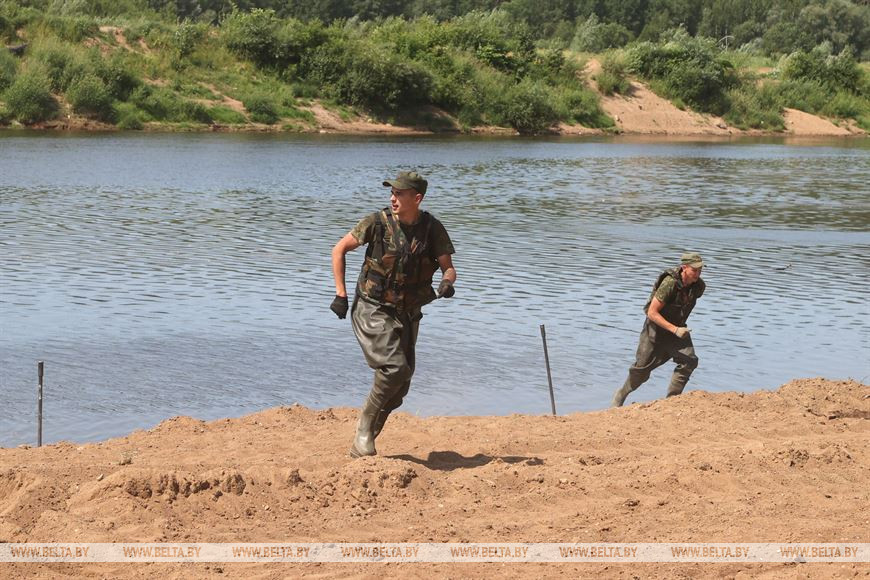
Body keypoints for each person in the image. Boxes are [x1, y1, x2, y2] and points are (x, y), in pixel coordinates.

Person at [330, 170, 456, 458]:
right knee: (395, 369)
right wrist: (341, 294)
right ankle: (364, 427)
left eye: (399, 193)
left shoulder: (432, 228)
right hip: (372, 306)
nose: (392, 198)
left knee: (401, 386)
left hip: (408, 312)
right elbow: (339, 250)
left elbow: (448, 267)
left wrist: (447, 282)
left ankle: (364, 440)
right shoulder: (375, 223)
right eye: (392, 192)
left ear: (417, 198)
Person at [611, 253, 706, 407]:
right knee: (641, 370)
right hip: (655, 330)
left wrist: (677, 329)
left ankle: (672, 401)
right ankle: (621, 394)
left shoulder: (698, 286)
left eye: (700, 270)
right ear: (684, 268)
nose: (697, 274)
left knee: (689, 361)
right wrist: (675, 329)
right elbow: (652, 312)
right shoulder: (669, 283)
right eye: (694, 270)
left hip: (677, 329)